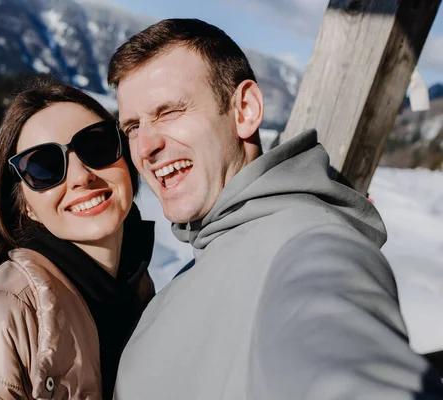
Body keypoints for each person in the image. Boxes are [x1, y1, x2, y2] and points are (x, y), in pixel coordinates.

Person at [108, 18, 443, 399]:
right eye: (132, 126)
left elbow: (341, 356)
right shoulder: (205, 259)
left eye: (169, 112)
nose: (145, 146)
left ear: (245, 110)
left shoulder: (309, 244)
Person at [0, 78, 155, 400]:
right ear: (24, 203)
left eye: (97, 146)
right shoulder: (1, 316)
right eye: (44, 167)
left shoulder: (134, 289)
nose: (81, 176)